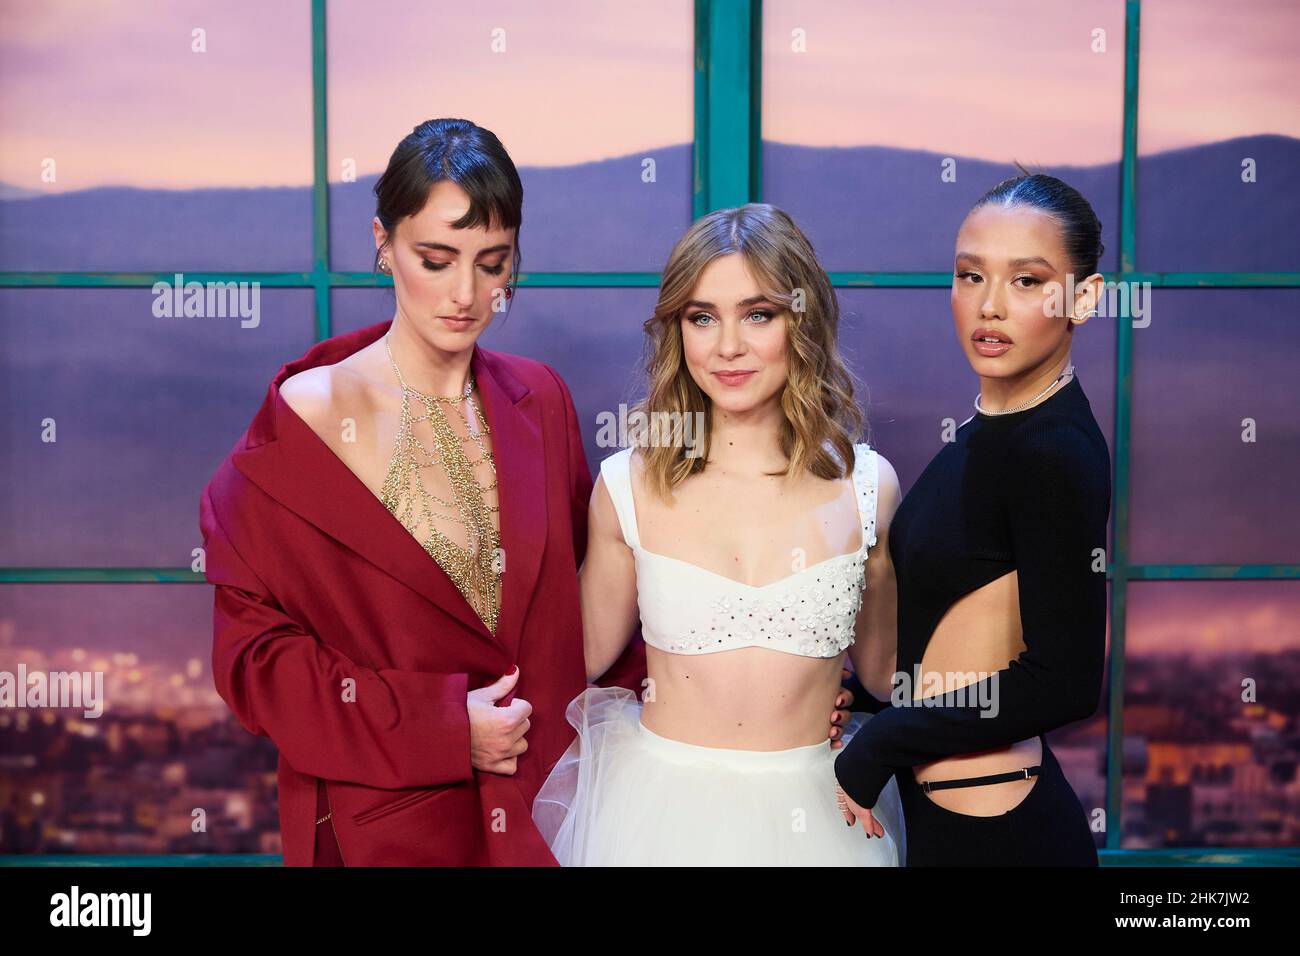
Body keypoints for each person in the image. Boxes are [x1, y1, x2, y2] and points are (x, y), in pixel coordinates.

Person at [199, 118, 646, 866]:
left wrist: (736, 698)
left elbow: (584, 613)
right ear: (383, 242)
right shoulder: (306, 422)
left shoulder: (542, 399)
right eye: (435, 259)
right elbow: (254, 663)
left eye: (492, 263)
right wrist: (440, 728)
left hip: (544, 815)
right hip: (386, 826)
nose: (466, 294)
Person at [532, 203, 906, 865]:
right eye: (702, 317)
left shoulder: (867, 487)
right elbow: (578, 656)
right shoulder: (627, 486)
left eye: (757, 314)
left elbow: (887, 676)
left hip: (823, 812)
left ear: (803, 321)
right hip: (656, 817)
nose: (727, 346)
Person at [833, 172, 1111, 866]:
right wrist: (864, 709)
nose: (989, 306)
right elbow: (947, 637)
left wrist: (885, 740)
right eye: (970, 276)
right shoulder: (993, 427)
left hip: (1002, 839)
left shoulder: (1052, 450)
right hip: (949, 822)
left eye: (1027, 281)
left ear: (1084, 298)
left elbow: (1065, 679)